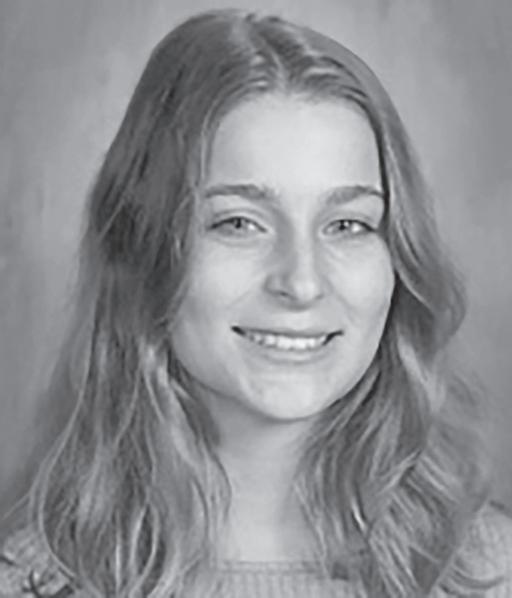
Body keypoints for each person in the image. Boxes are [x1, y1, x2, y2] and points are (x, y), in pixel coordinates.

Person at [1, 8, 511, 598]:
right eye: (239, 223)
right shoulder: (27, 584)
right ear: (141, 251)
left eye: (347, 224)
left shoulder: (492, 573)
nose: (302, 282)